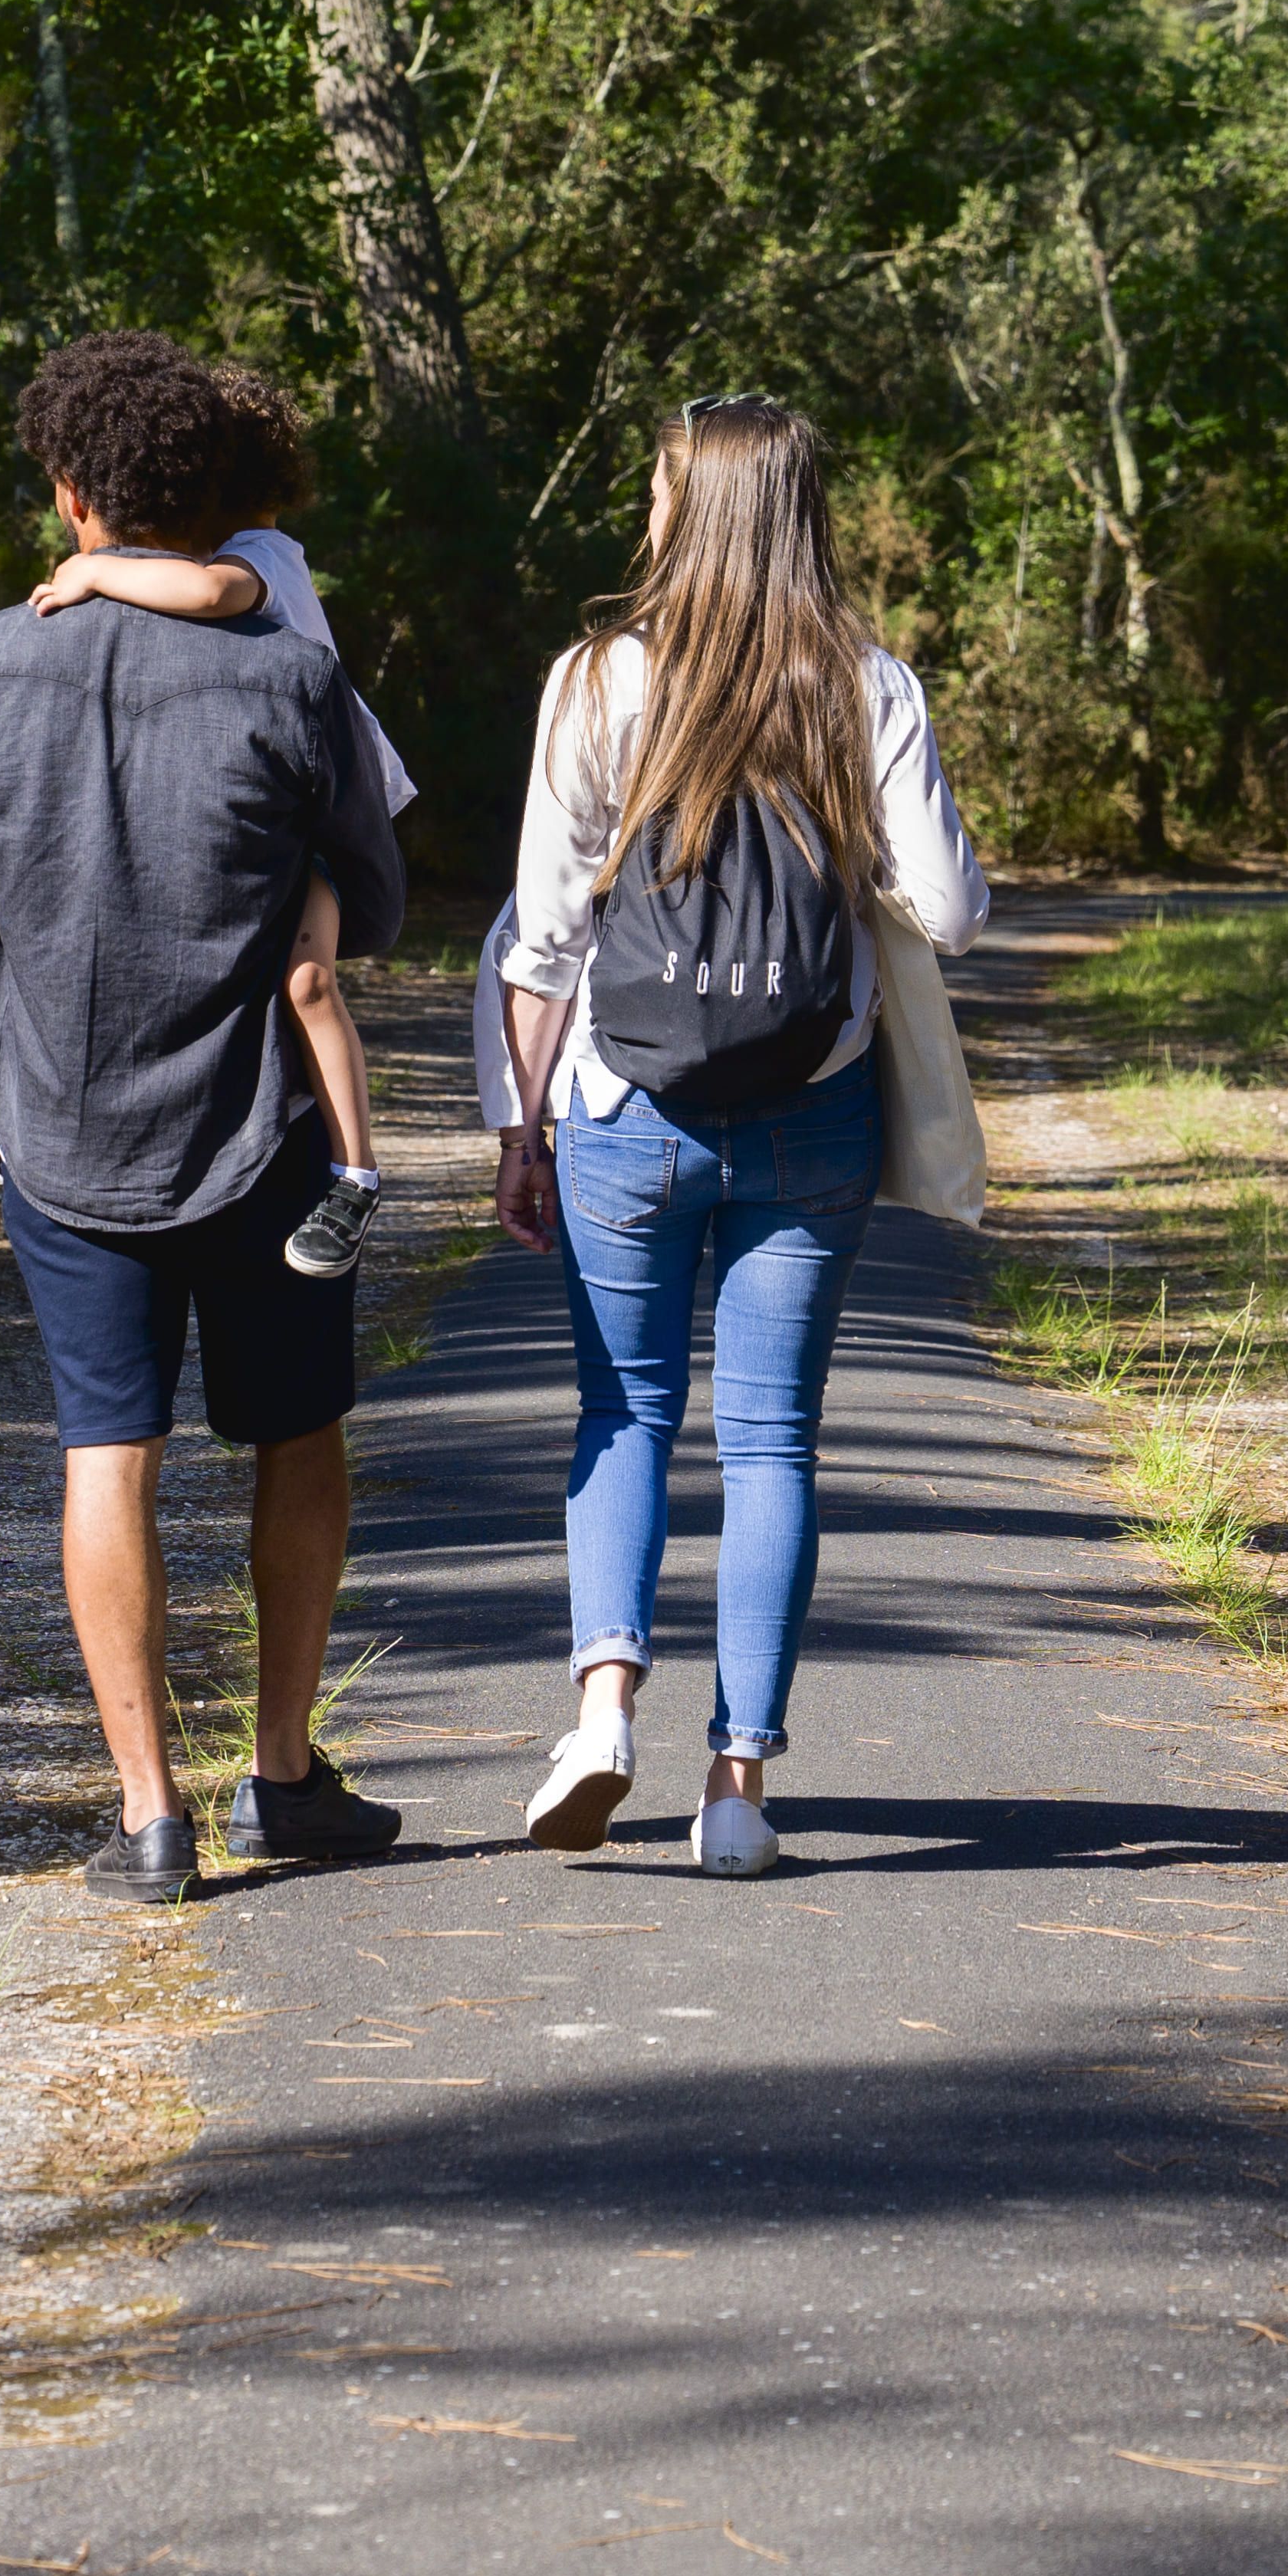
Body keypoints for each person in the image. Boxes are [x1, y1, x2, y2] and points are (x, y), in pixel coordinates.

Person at [0, 333, 415, 1904]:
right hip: (260, 1128)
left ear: (69, 492)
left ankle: (148, 1815)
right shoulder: (290, 674)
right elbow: (364, 903)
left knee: (103, 1447)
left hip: (60, 1127)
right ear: (215, 497)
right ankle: (281, 1773)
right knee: (297, 1433)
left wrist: (44, 910)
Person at [488, 396, 988, 1880]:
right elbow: (952, 911)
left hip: (623, 1108)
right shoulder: (863, 683)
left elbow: (542, 936)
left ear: (686, 510)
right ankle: (737, 1790)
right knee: (772, 1440)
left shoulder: (595, 682)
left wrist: (523, 1130)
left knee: (622, 1412)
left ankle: (599, 1711)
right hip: (811, 1105)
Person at [26, 367, 418, 1278]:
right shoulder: (263, 545)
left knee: (307, 984)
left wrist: (95, 569)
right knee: (290, 982)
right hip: (314, 788)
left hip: (326, 799)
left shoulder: (256, 558)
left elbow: (212, 599)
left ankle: (354, 1175)